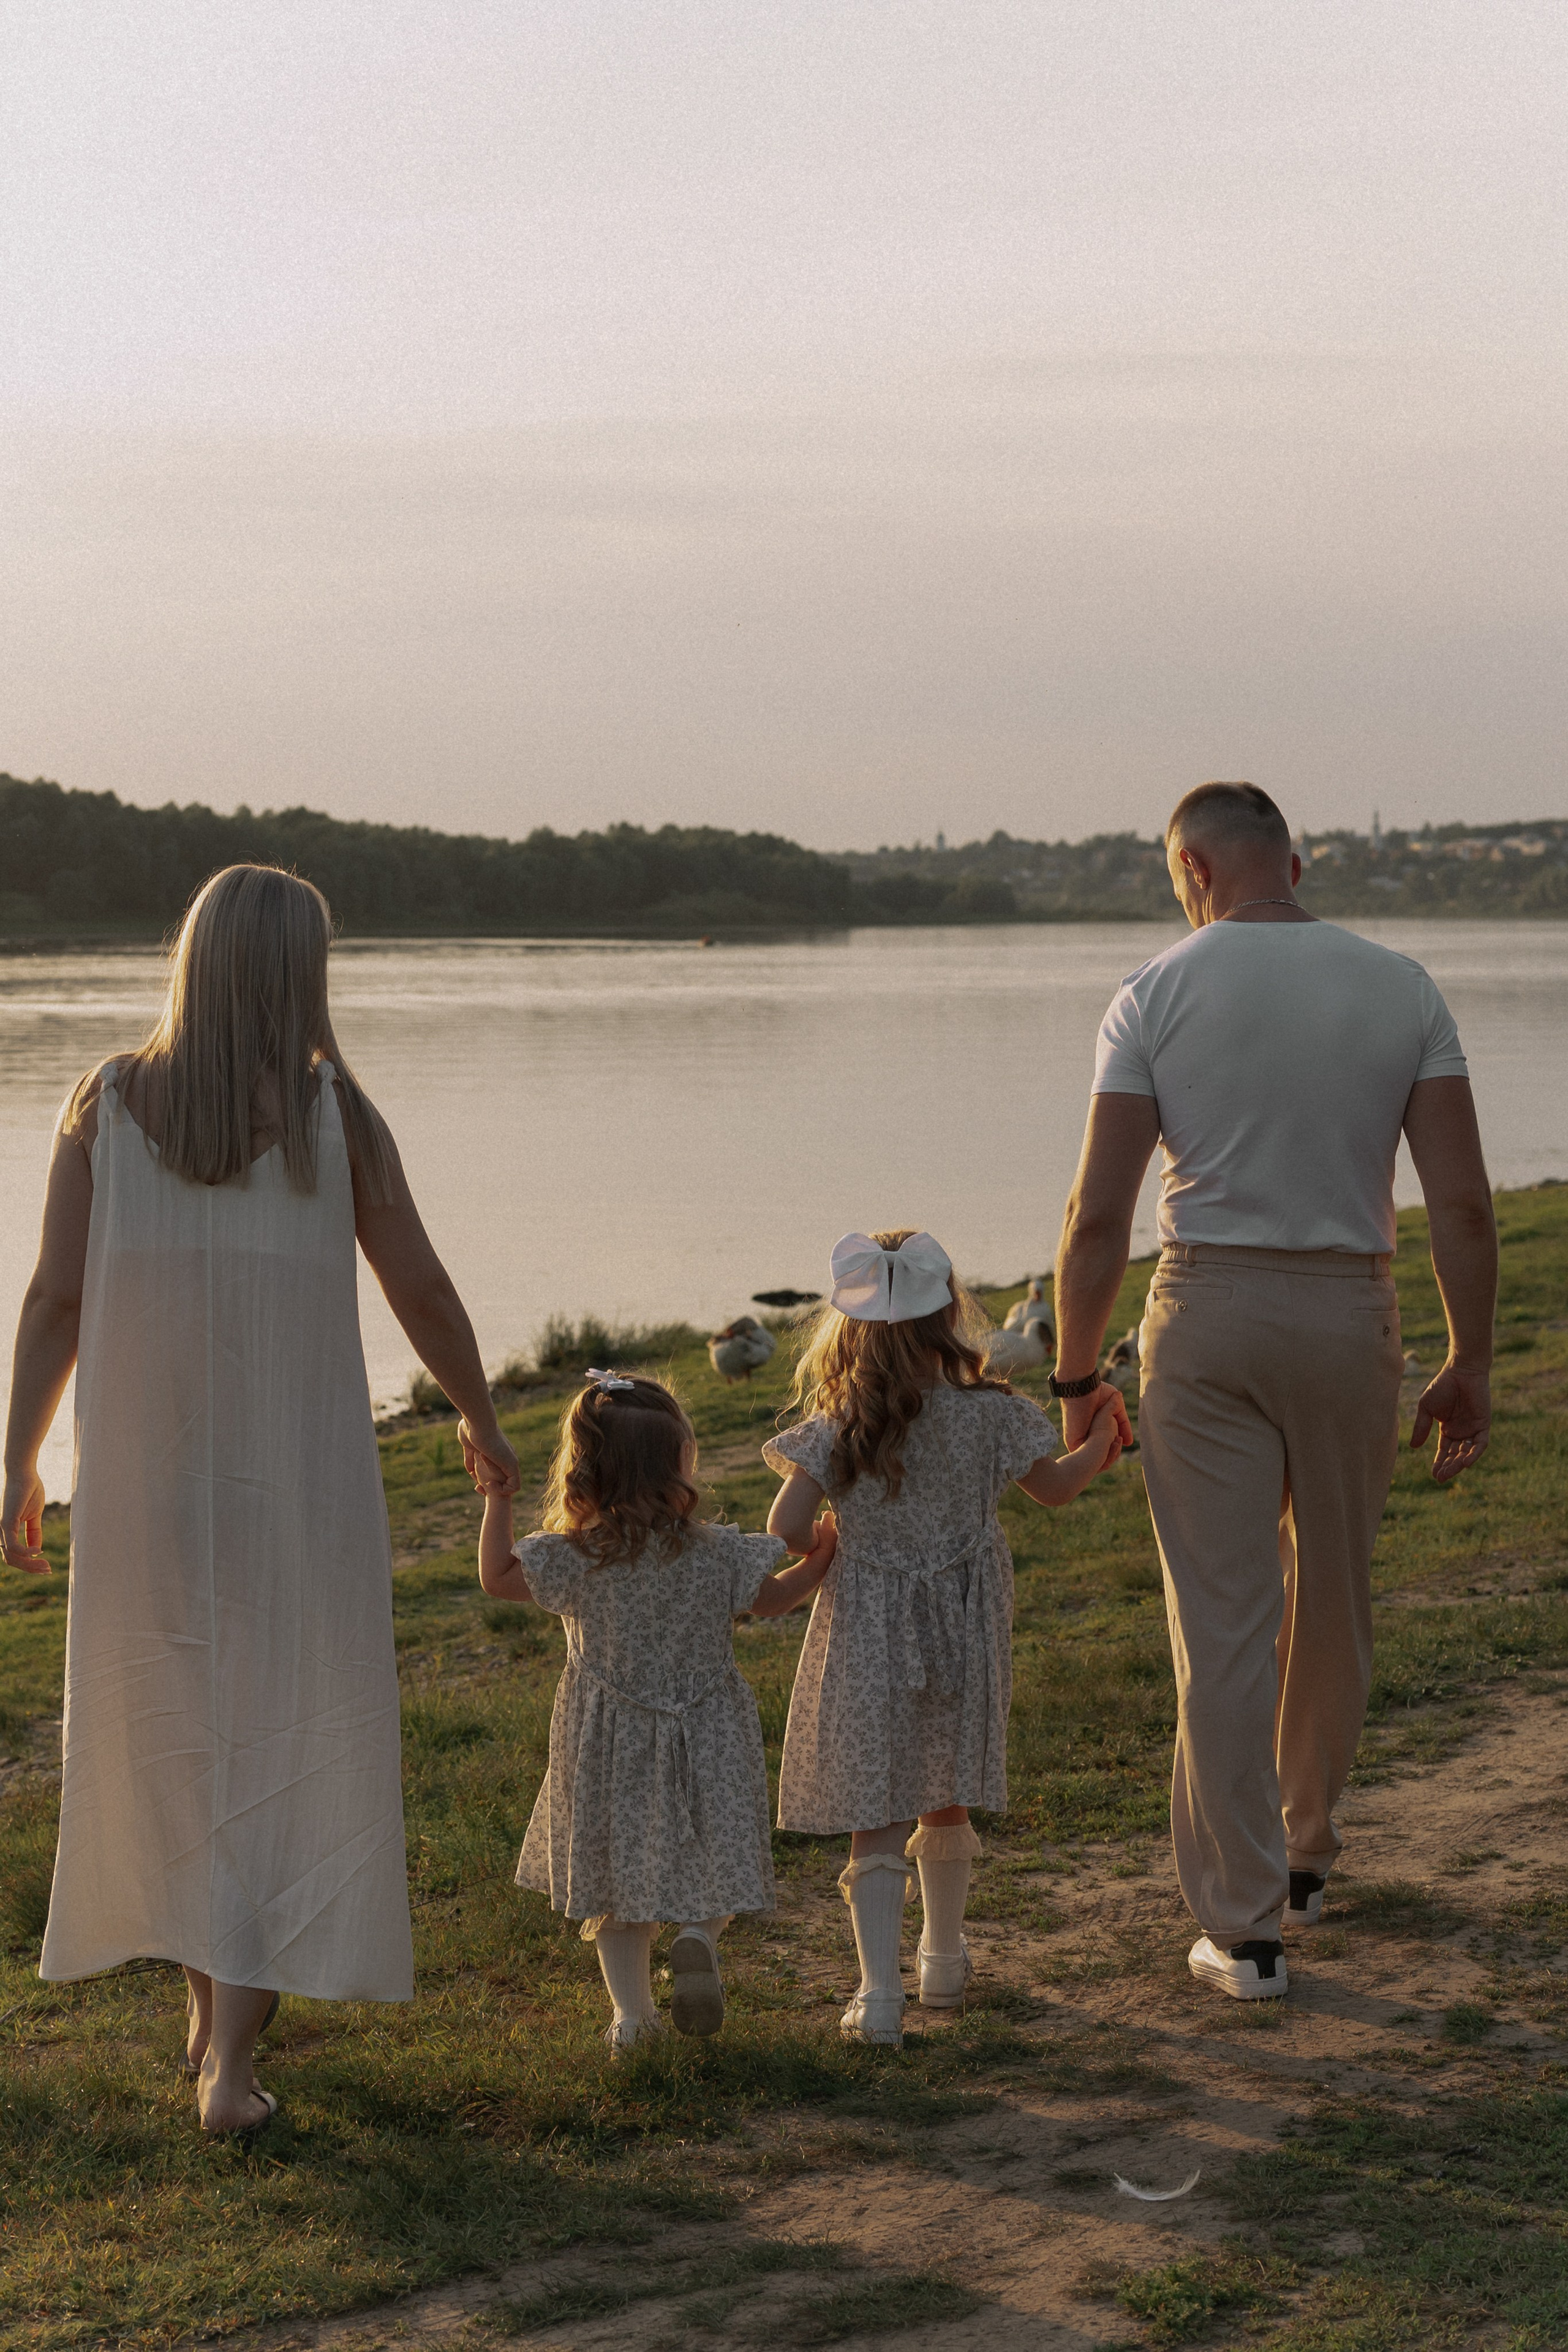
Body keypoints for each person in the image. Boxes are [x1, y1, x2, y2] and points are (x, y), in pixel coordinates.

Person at [1, 864, 519, 2135]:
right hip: (299, 1496)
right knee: (274, 1744)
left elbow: (54, 1300)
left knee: (177, 1731)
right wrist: (480, 1418)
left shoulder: (105, 1106)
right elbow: (427, 1295)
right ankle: (230, 2065)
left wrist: (19, 1456)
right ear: (300, 975)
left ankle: (208, 2027)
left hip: (142, 1495)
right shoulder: (335, 1116)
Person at [1052, 782, 1496, 2002]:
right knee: (1333, 1597)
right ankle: (1304, 1852)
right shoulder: (1400, 987)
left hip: (1205, 1315)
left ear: (1190, 869)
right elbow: (1458, 1202)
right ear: (1289, 864)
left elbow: (1095, 1218)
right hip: (1350, 1311)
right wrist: (1469, 1355)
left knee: (1221, 1620)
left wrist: (1075, 1376)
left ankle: (1244, 1933)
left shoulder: (1153, 991)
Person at [762, 1229, 1123, 2048]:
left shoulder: (839, 1420)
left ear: (850, 1329)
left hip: (868, 1632)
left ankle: (880, 1997)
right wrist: (1101, 1437)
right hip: (964, 1626)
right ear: (948, 1314)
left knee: (876, 1806)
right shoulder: (991, 1414)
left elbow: (786, 1526)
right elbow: (1060, 1488)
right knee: (944, 1783)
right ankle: (945, 1960)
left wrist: (824, 1539)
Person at [478, 1369, 835, 2052]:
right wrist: (820, 1559)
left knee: (615, 1883)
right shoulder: (715, 1552)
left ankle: (632, 2022)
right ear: (681, 1461)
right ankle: (700, 1933)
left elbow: (497, 1578)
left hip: (608, 1741)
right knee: (720, 1851)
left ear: (582, 1469)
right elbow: (770, 1598)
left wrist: (496, 1499)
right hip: (709, 1729)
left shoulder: (577, 1558)